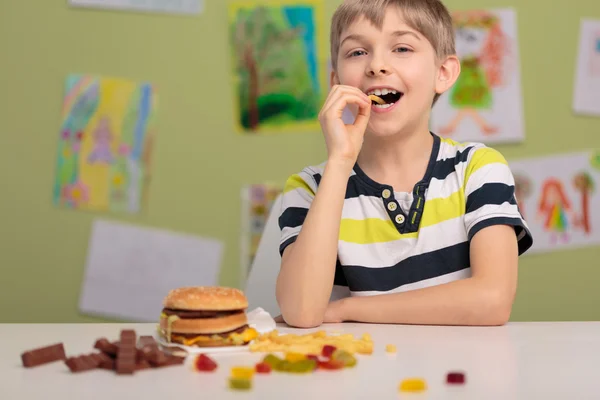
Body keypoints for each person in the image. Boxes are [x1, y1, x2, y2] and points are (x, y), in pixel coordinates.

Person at [275, 0, 533, 328]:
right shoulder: (309, 189)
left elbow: (492, 301)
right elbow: (301, 311)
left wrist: (345, 310)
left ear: (443, 73)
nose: (376, 65)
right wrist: (340, 162)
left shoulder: (477, 169)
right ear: (336, 81)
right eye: (357, 52)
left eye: (401, 48)